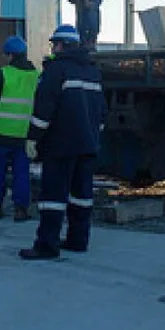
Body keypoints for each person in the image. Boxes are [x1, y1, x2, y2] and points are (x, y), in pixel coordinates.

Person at [20, 24, 104, 260]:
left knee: (52, 198)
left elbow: (44, 110)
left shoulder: (56, 71)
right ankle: (78, 240)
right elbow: (102, 113)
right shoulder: (92, 72)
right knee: (82, 196)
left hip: (60, 146)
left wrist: (33, 138)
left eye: (53, 43)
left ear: (60, 45)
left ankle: (47, 245)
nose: (52, 48)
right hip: (87, 146)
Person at [0, 35, 39, 221]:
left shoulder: (3, 74)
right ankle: (20, 209)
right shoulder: (36, 76)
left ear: (10, 55)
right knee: (21, 173)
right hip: (23, 135)